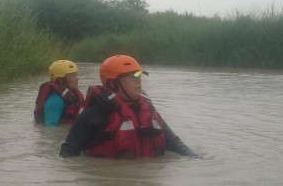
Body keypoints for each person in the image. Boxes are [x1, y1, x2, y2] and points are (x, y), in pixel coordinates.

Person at [60, 55, 197, 159]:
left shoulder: (149, 110)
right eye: (133, 76)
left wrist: (197, 161)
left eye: (139, 75)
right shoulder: (92, 116)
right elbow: (67, 156)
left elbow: (174, 143)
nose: (139, 80)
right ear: (113, 84)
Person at [34, 60, 84, 126]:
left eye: (76, 75)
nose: (77, 78)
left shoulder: (70, 96)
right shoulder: (55, 100)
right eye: (73, 76)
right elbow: (50, 130)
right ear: (61, 80)